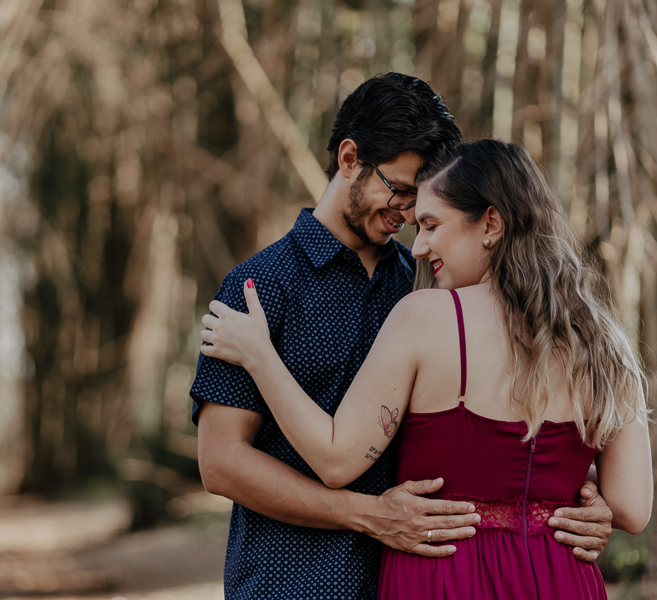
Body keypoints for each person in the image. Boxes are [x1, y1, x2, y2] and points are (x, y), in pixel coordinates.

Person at [192, 74, 614, 599]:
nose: (410, 213)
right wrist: (369, 516)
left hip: (414, 579)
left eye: (422, 200)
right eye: (400, 189)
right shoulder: (259, 288)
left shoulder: (428, 282)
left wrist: (582, 493)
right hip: (290, 581)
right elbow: (221, 463)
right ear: (349, 159)